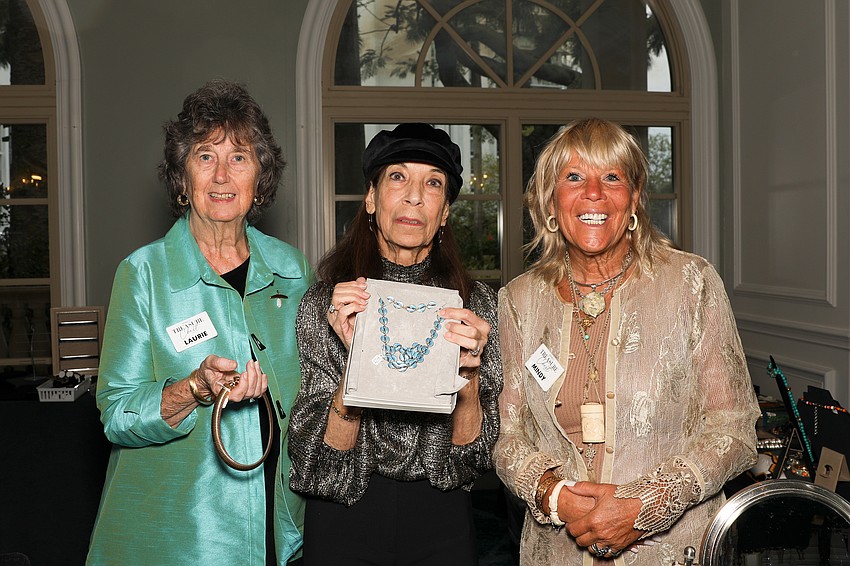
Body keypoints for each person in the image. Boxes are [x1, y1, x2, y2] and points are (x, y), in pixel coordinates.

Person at [494, 118, 760, 564]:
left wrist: (645, 505)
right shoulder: (519, 301)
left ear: (633, 198)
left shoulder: (691, 283)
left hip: (673, 551)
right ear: (550, 203)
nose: (594, 193)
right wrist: (555, 496)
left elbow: (733, 429)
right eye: (574, 177)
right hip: (558, 552)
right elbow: (508, 436)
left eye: (612, 177)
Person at [87, 79, 312, 565]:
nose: (222, 175)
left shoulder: (294, 271)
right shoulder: (144, 273)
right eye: (205, 156)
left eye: (240, 157)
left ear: (260, 175)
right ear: (183, 177)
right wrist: (192, 388)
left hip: (282, 524)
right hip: (182, 536)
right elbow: (118, 416)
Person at [288, 123, 501, 565]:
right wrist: (354, 366)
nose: (414, 196)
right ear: (371, 198)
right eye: (398, 177)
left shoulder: (475, 306)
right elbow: (315, 467)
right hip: (345, 512)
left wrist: (469, 378)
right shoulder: (328, 302)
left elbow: (474, 460)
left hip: (440, 518)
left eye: (433, 183)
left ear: (444, 213)